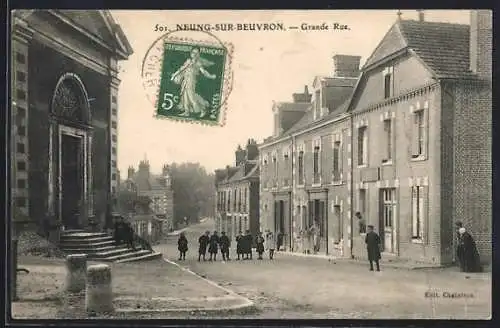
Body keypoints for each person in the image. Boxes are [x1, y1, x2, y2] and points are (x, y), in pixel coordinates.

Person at [170, 48, 217, 118]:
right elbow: (181, 69)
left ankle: (203, 110)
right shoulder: (188, 61)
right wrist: (174, 75)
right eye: (193, 52)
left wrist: (211, 76)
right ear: (191, 53)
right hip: (185, 81)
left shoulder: (198, 63)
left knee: (191, 97)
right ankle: (186, 112)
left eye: (196, 53)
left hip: (191, 81)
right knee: (185, 96)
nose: (194, 54)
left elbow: (203, 72)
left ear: (198, 55)